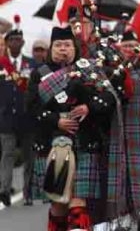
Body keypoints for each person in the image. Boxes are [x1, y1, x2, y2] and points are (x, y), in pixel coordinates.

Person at [32, 26, 121, 230]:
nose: (63, 49)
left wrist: (89, 107)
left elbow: (109, 98)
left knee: (78, 204)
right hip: (53, 144)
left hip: (85, 143)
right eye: (59, 45)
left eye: (67, 45)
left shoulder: (88, 69)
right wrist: (57, 121)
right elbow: (32, 107)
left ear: (75, 48)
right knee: (59, 205)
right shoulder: (40, 74)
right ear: (51, 49)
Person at [0, 26, 35, 207]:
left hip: (27, 117)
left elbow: (36, 89)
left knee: (30, 156)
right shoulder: (1, 64)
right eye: (11, 40)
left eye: (17, 40)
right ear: (6, 43)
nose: (15, 43)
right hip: (6, 118)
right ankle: (4, 190)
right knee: (8, 154)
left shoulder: (32, 64)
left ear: (22, 42)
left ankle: (28, 191)